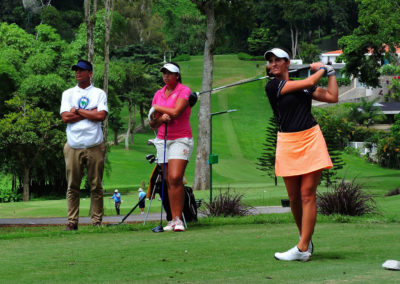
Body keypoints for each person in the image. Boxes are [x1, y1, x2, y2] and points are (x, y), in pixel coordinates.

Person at [264, 48, 338, 261]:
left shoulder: (303, 87)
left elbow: (332, 97)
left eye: (278, 60)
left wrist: (331, 73)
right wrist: (322, 69)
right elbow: (307, 83)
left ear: (287, 62)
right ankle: (304, 238)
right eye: (271, 61)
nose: (273, 63)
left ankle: (302, 247)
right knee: (294, 197)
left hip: (311, 139)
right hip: (287, 143)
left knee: (307, 194)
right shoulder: (273, 86)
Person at [60, 59, 108, 230]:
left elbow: (101, 116)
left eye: (81, 70)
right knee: (73, 185)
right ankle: (72, 222)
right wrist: (90, 113)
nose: (77, 73)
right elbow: (65, 117)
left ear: (90, 73)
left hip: (94, 144)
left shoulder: (99, 93)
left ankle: (96, 221)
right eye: (76, 70)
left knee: (96, 185)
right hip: (73, 145)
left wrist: (78, 111)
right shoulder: (68, 94)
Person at [148, 62, 194, 232]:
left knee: (175, 177)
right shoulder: (158, 93)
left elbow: (176, 112)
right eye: (164, 73)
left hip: (181, 138)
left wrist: (157, 108)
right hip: (162, 139)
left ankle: (178, 219)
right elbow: (152, 122)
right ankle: (172, 220)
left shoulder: (184, 91)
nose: (166, 76)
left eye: (170, 73)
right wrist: (161, 119)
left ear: (177, 75)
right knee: (168, 179)